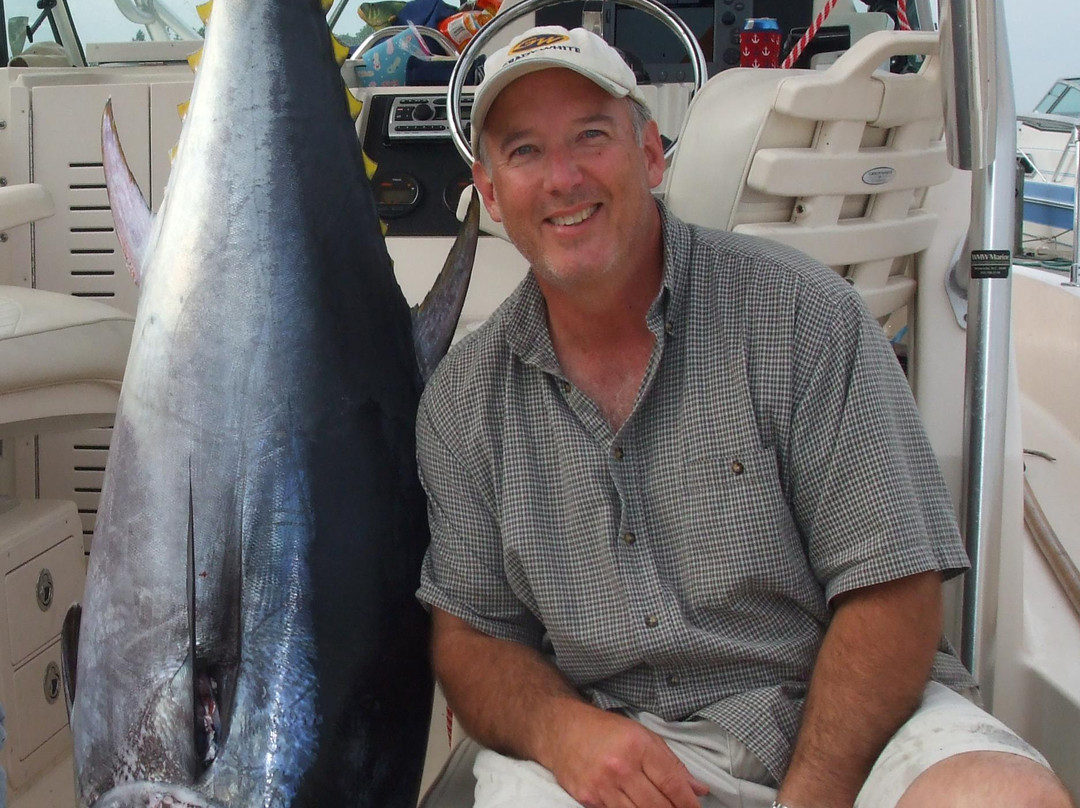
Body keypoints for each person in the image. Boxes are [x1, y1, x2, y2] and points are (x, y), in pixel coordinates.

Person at [415, 25, 1076, 808]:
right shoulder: (461, 399)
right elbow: (473, 637)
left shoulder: (804, 316)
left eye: (591, 136)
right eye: (524, 152)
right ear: (489, 195)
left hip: (845, 716)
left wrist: (816, 792)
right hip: (617, 738)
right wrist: (561, 731)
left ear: (652, 155)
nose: (562, 178)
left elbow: (895, 591)